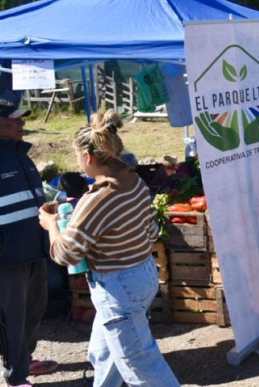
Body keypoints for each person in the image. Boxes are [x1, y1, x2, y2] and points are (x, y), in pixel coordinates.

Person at [38, 111, 178, 386]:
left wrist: (51, 224)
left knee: (140, 365)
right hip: (144, 275)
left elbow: (65, 254)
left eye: (77, 156)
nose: (77, 162)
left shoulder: (97, 199)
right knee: (104, 353)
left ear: (88, 157)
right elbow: (151, 232)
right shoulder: (135, 183)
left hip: (118, 288)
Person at [0, 95, 58, 387]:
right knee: (11, 316)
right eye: (14, 119)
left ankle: (25, 359)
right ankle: (16, 376)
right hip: (7, 255)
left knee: (34, 307)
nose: (21, 123)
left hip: (34, 248)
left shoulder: (20, 153)